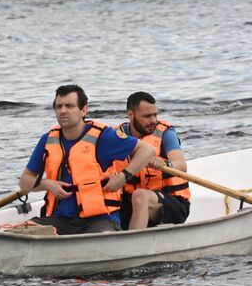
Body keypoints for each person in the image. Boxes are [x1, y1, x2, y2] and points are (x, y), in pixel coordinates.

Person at [17, 84, 156, 234]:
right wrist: (47, 184)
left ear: (84, 110)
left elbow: (147, 150)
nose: (63, 111)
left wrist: (123, 177)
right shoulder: (48, 140)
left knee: (104, 236)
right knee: (20, 232)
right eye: (59, 106)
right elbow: (25, 181)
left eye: (69, 106)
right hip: (60, 220)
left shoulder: (103, 136)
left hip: (99, 220)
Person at [118, 91, 191, 230]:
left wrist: (165, 164)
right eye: (147, 116)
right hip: (128, 201)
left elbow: (181, 165)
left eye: (155, 115)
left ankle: (134, 246)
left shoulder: (165, 133)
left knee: (140, 196)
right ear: (130, 115)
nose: (153, 120)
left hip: (171, 203)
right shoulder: (117, 136)